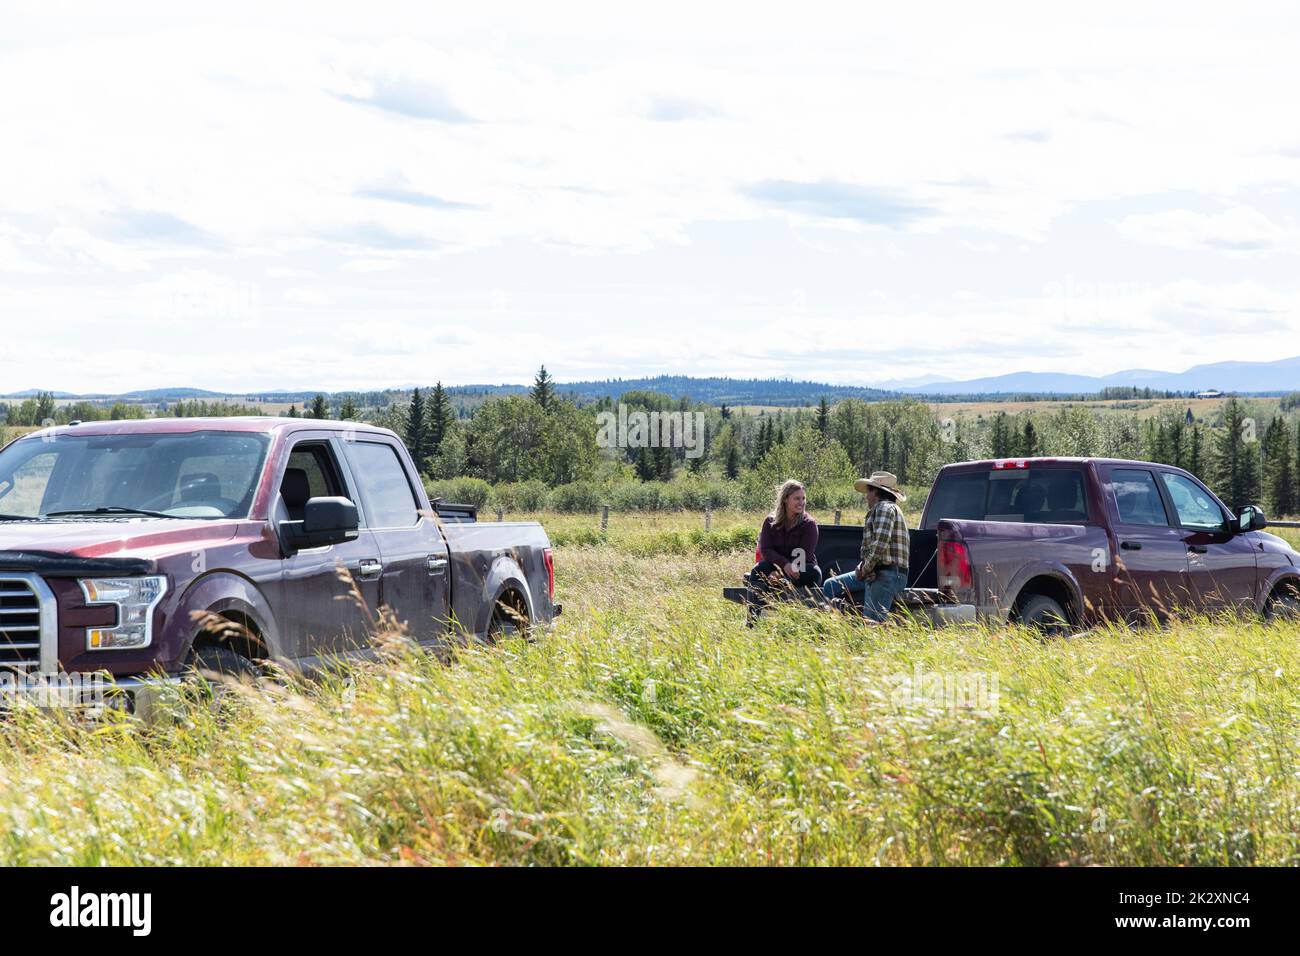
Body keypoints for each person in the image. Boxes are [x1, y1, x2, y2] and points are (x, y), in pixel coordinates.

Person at [822, 471, 909, 623]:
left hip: (885, 574)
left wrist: (864, 569)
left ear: (875, 492)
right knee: (831, 585)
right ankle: (832, 625)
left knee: (873, 625)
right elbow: (877, 549)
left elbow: (880, 544)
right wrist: (863, 566)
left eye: (868, 490)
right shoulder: (887, 509)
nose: (866, 495)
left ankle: (834, 626)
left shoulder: (883, 508)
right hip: (881, 572)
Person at [745, 479, 821, 621]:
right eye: (797, 498)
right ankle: (751, 621)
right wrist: (782, 566)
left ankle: (804, 618)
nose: (801, 502)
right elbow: (766, 550)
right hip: (776, 566)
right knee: (757, 571)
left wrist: (782, 574)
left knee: (814, 572)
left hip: (801, 567)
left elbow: (804, 554)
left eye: (803, 498)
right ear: (785, 499)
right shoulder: (770, 522)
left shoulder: (808, 524)